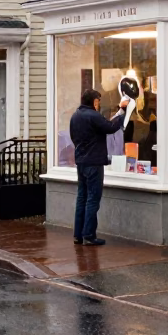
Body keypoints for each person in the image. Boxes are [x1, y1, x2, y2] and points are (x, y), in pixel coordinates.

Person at [69, 87, 131, 246]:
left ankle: (78, 235)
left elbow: (74, 138)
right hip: (94, 163)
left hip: (81, 162)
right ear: (94, 101)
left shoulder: (75, 116)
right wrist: (122, 109)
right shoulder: (93, 115)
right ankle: (89, 235)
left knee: (81, 198)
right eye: (98, 101)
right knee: (93, 199)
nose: (98, 104)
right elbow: (110, 127)